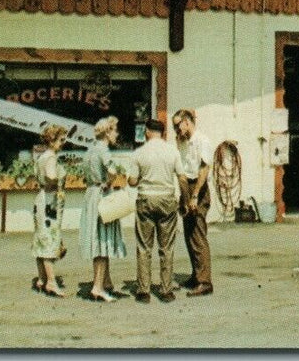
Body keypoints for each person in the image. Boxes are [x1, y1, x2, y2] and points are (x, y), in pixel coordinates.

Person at [127, 118, 181, 303]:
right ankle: (166, 289)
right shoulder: (172, 151)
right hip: (167, 198)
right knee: (166, 247)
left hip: (146, 199)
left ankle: (144, 290)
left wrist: (141, 176)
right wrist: (186, 198)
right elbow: (181, 177)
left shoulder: (139, 153)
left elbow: (132, 181)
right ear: (163, 133)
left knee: (144, 245)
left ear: (148, 132)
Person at [78, 116, 128, 302]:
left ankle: (105, 282)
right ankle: (97, 287)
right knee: (103, 240)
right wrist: (109, 183)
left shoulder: (90, 150)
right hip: (101, 196)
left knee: (97, 238)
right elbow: (113, 171)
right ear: (107, 132)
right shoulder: (103, 150)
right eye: (114, 130)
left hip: (90, 195)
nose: (116, 134)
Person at [172, 108, 214, 297]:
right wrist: (184, 197)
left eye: (177, 125)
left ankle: (205, 281)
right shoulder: (181, 141)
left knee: (197, 234)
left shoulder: (202, 141)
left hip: (199, 187)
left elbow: (204, 169)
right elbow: (181, 170)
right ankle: (196, 275)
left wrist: (195, 195)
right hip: (186, 187)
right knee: (189, 234)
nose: (176, 130)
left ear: (187, 121)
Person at [30, 123, 69, 298]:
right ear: (52, 140)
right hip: (50, 202)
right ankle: (51, 282)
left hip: (41, 199)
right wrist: (58, 185)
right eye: (61, 140)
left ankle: (41, 278)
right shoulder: (51, 157)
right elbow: (51, 177)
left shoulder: (42, 156)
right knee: (50, 239)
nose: (63, 143)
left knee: (41, 237)